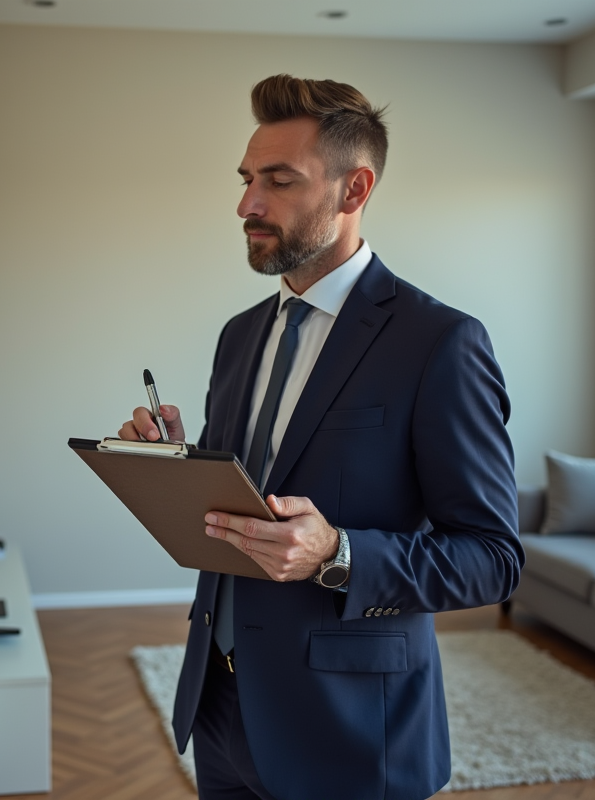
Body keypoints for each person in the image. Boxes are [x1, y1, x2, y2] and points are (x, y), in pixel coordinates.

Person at [118, 75, 523, 800]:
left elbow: (493, 559)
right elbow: (245, 504)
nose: (246, 204)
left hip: (353, 731)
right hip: (218, 706)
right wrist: (176, 464)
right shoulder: (240, 336)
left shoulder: (441, 343)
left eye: (278, 181)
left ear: (353, 190)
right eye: (247, 180)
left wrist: (338, 555)